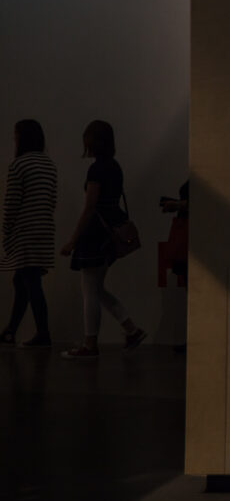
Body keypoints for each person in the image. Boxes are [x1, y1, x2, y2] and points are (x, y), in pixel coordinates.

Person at [59, 120, 145, 358]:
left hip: (95, 234)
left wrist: (72, 240)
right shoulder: (115, 167)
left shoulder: (96, 169)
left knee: (90, 290)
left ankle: (90, 344)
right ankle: (131, 329)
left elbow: (90, 207)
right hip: (110, 234)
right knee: (96, 288)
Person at [0, 120, 58, 348]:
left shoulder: (19, 165)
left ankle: (43, 334)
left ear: (21, 138)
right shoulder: (49, 165)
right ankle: (10, 331)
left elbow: (12, 203)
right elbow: (52, 200)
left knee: (31, 283)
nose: (13, 139)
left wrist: (6, 232)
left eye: (15, 135)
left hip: (25, 231)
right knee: (22, 280)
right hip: (44, 230)